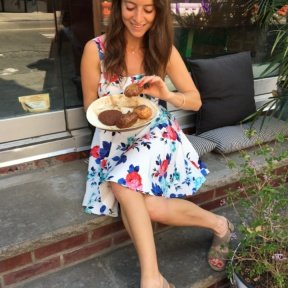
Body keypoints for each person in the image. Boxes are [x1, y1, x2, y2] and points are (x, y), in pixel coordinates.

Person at [81, 1, 234, 287]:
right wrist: (111, 116)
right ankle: (220, 225)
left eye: (148, 9)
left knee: (123, 184)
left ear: (158, 12)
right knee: (144, 206)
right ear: (117, 8)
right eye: (130, 7)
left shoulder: (163, 50)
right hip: (113, 137)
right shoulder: (96, 50)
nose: (138, 18)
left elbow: (195, 99)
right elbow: (90, 104)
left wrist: (168, 94)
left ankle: (151, 279)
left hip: (156, 133)